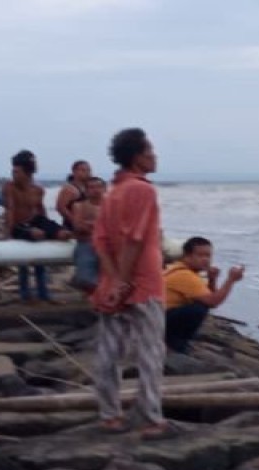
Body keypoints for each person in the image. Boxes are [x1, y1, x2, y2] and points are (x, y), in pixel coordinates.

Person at [90, 127, 171, 439]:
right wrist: (124, 282)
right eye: (150, 152)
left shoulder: (113, 194)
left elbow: (101, 242)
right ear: (138, 157)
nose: (155, 157)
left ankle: (109, 413)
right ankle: (151, 416)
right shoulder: (143, 190)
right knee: (150, 351)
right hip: (144, 282)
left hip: (114, 281)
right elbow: (134, 240)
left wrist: (113, 280)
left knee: (110, 350)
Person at [2, 150, 70, 303]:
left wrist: (50, 229)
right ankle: (26, 295)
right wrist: (8, 233)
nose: (13, 175)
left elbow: (41, 210)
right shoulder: (9, 187)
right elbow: (10, 209)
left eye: (17, 172)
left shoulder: (38, 190)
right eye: (13, 171)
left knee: (53, 240)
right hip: (18, 226)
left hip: (33, 222)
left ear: (27, 173)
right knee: (25, 261)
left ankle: (44, 295)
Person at [163, 236, 244, 353]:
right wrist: (231, 280)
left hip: (162, 317)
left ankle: (176, 341)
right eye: (200, 255)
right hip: (160, 320)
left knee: (200, 306)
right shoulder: (184, 275)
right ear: (187, 256)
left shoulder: (181, 269)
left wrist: (212, 280)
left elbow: (210, 299)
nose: (206, 260)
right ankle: (175, 343)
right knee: (198, 309)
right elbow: (213, 301)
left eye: (208, 256)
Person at [70, 176, 106, 292]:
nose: (96, 190)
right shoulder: (79, 206)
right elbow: (78, 227)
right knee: (85, 279)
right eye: (92, 187)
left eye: (99, 187)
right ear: (86, 190)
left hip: (107, 245)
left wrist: (91, 225)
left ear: (105, 189)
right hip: (87, 243)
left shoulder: (112, 206)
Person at [56, 160, 91, 231]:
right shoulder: (69, 189)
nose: (87, 173)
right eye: (83, 170)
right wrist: (75, 221)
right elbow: (61, 208)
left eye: (88, 170)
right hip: (73, 227)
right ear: (74, 171)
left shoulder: (89, 187)